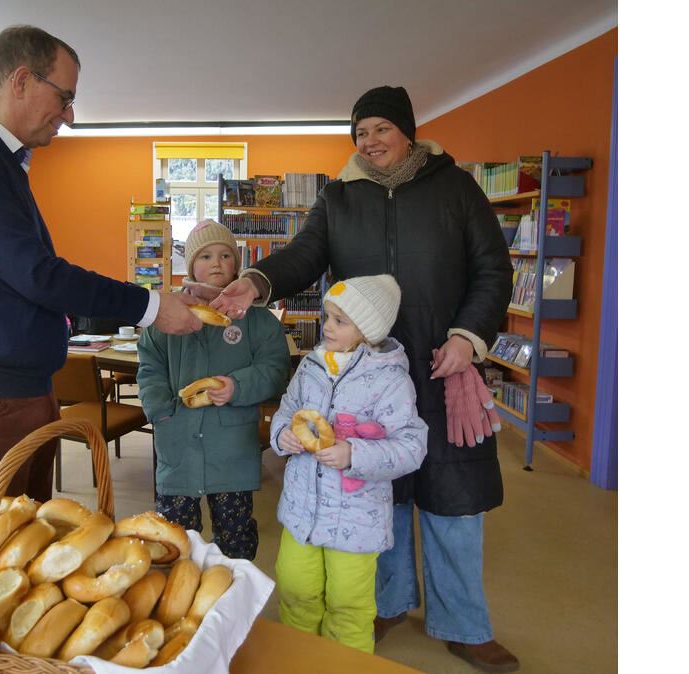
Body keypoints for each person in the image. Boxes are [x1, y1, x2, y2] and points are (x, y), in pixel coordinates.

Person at [212, 85, 518, 671]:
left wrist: (467, 337)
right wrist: (256, 281)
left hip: (443, 364)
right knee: (378, 489)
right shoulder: (339, 196)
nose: (370, 141)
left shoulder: (456, 188)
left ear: (407, 132)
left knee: (454, 500)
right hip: (361, 370)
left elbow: (492, 268)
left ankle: (464, 623)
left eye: (381, 128)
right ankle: (388, 602)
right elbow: (304, 254)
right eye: (360, 132)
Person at [0, 25, 201, 535]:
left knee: (28, 549)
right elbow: (35, 274)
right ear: (21, 81)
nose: (69, 115)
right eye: (64, 97)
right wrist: (151, 307)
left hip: (12, 394)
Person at [270, 274, 428, 654]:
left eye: (340, 320)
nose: (327, 326)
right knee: (294, 587)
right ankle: (299, 657)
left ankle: (344, 663)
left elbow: (411, 446)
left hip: (357, 521)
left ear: (367, 330)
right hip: (302, 511)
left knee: (348, 604)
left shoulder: (391, 380)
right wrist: (282, 435)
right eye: (328, 316)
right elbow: (287, 410)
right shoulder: (310, 365)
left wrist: (354, 454)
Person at [136, 220, 289, 559]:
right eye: (205, 256)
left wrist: (238, 386)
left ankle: (234, 590)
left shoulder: (259, 321)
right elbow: (150, 367)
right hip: (177, 444)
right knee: (174, 542)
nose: (216, 263)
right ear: (191, 265)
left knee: (236, 541)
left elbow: (275, 370)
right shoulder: (166, 316)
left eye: (225, 255)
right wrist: (160, 411)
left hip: (232, 450)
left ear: (237, 264)